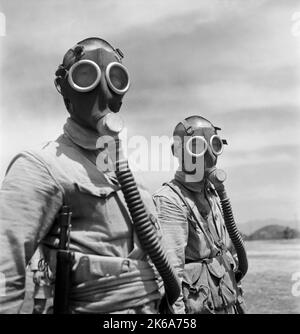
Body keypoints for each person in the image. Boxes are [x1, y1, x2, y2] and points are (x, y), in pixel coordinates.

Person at [0, 37, 163, 314]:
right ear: (66, 92)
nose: (102, 89)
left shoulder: (128, 176)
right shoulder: (41, 167)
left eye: (115, 77)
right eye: (86, 77)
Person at [153, 115, 247, 314]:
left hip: (226, 302)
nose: (208, 155)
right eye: (196, 146)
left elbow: (227, 250)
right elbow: (171, 272)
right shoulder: (171, 200)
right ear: (176, 151)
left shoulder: (213, 194)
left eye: (214, 144)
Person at [28, 247, 53, 314]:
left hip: (63, 267)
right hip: (43, 269)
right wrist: (37, 269)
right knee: (38, 307)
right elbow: (38, 246)